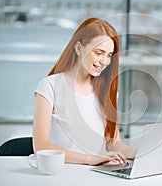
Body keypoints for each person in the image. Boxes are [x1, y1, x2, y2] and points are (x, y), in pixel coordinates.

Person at [32, 17, 136, 166]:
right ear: (79, 48)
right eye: (99, 53)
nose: (104, 62)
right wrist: (92, 160)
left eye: (109, 56)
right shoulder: (49, 86)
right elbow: (41, 146)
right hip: (63, 173)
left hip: (97, 175)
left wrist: (139, 152)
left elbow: (113, 143)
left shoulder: (107, 91)